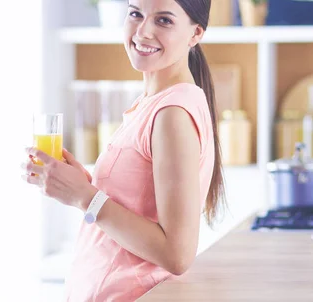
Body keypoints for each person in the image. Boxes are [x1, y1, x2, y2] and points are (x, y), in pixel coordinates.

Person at [21, 0, 224, 300]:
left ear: (195, 33)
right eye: (135, 14)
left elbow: (177, 254)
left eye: (164, 21)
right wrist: (83, 185)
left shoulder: (172, 113)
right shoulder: (152, 102)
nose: (143, 31)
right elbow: (134, 206)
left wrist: (84, 197)